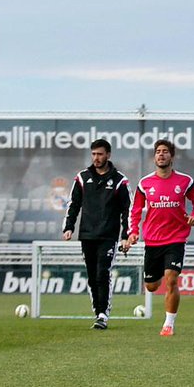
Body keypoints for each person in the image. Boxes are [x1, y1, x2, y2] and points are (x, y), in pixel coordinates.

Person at [124, 139, 194, 336]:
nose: (161, 154)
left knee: (171, 280)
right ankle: (156, 276)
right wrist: (133, 232)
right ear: (155, 157)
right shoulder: (145, 183)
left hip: (176, 239)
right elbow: (135, 210)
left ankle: (168, 324)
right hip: (152, 240)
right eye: (158, 152)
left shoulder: (185, 181)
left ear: (172, 156)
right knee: (151, 286)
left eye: (165, 151)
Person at [63, 138, 130, 329]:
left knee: (103, 273)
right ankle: (97, 312)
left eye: (100, 154)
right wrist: (69, 227)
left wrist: (126, 235)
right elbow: (73, 204)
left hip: (108, 235)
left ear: (108, 155)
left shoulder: (120, 180)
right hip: (87, 234)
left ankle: (103, 314)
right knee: (92, 276)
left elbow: (128, 209)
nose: (96, 158)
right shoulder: (82, 177)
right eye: (93, 154)